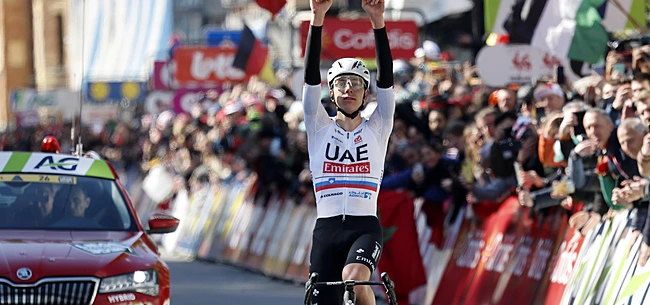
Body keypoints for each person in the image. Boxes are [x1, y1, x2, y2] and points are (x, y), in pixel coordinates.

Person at [302, 0, 394, 304]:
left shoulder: (378, 127)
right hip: (325, 230)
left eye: (356, 84)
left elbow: (387, 82)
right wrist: (317, 19)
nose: (349, 90)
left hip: (364, 226)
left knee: (353, 280)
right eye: (341, 84)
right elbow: (310, 78)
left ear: (366, 93)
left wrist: (377, 22)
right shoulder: (318, 127)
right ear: (331, 92)